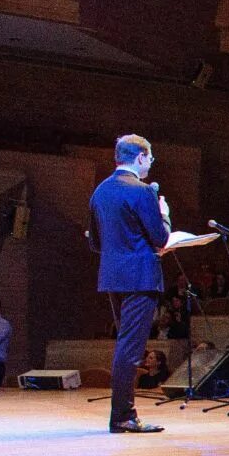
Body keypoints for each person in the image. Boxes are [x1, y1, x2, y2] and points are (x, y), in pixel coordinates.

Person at [86, 134, 170, 433]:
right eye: (151, 157)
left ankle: (122, 414)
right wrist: (164, 215)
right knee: (131, 348)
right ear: (141, 157)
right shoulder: (143, 191)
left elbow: (95, 243)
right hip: (140, 277)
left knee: (126, 343)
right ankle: (123, 416)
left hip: (113, 276)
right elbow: (160, 239)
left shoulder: (100, 191)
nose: (152, 162)